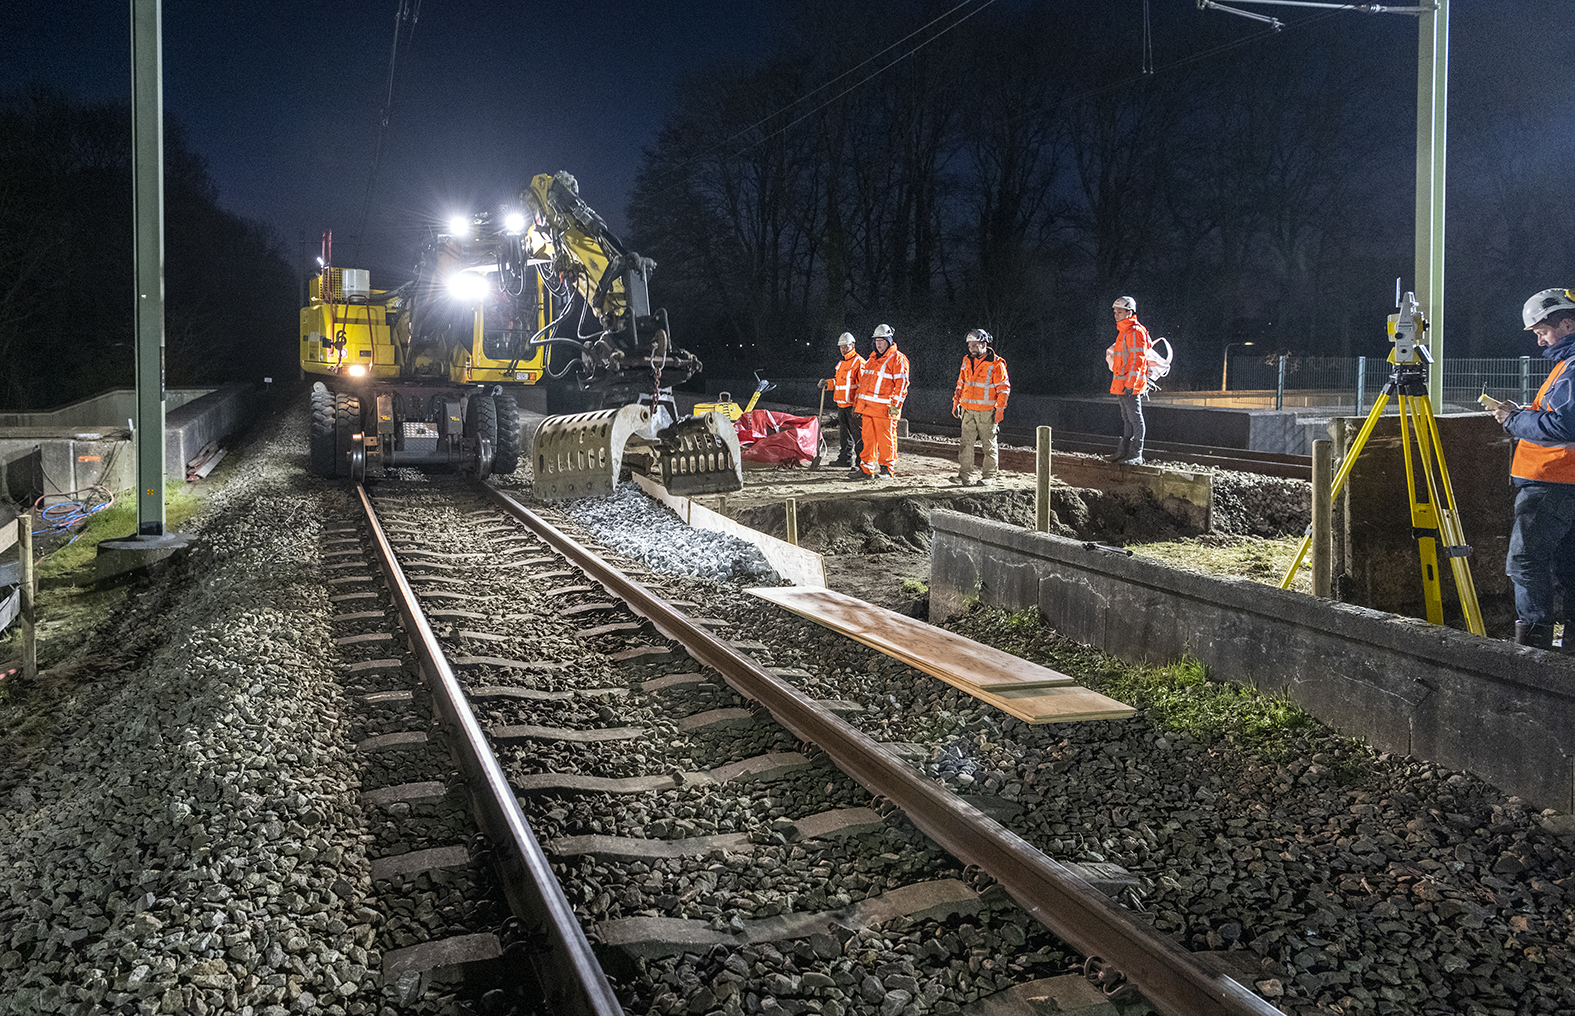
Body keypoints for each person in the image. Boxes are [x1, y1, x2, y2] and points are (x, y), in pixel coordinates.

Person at [1491, 288, 1575, 649]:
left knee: (1524, 561)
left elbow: (1563, 426)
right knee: (1567, 565)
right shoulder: (1565, 365)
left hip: (1553, 481)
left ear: (1567, 324)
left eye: (1543, 330)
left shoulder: (1572, 367)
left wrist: (1514, 420)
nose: (1540, 339)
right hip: (1561, 480)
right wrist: (1525, 414)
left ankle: (1534, 649)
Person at [850, 323, 910, 481]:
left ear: (889, 341)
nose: (879, 344)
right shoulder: (872, 359)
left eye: (882, 340)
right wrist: (858, 406)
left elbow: (902, 386)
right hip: (868, 409)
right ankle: (866, 469)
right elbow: (864, 386)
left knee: (886, 439)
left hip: (885, 410)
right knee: (867, 439)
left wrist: (895, 410)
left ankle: (887, 469)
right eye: (876, 340)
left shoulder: (898, 359)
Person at [951, 328, 1011, 486]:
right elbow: (961, 383)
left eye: (975, 346)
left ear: (984, 344)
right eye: (970, 346)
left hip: (987, 412)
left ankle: (989, 477)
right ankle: (965, 476)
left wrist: (999, 409)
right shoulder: (966, 360)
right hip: (968, 410)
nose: (971, 349)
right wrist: (956, 401)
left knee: (989, 445)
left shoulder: (997, 364)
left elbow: (1003, 389)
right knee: (965, 445)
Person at [1105, 295, 1152, 465]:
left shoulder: (1134, 331)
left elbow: (1137, 360)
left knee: (1135, 419)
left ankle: (1135, 454)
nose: (1115, 315)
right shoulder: (1124, 331)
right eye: (1115, 312)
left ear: (1129, 312)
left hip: (1129, 385)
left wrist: (1131, 384)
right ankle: (1124, 452)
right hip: (1122, 383)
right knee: (1127, 418)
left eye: (1119, 312)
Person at [823, 332, 864, 467]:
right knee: (844, 435)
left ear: (852, 345)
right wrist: (828, 384)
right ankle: (845, 459)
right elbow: (839, 383)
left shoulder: (859, 362)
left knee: (858, 435)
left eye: (845, 346)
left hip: (853, 405)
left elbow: (862, 387)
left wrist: (857, 406)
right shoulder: (842, 363)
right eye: (841, 347)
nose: (843, 349)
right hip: (842, 404)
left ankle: (861, 462)